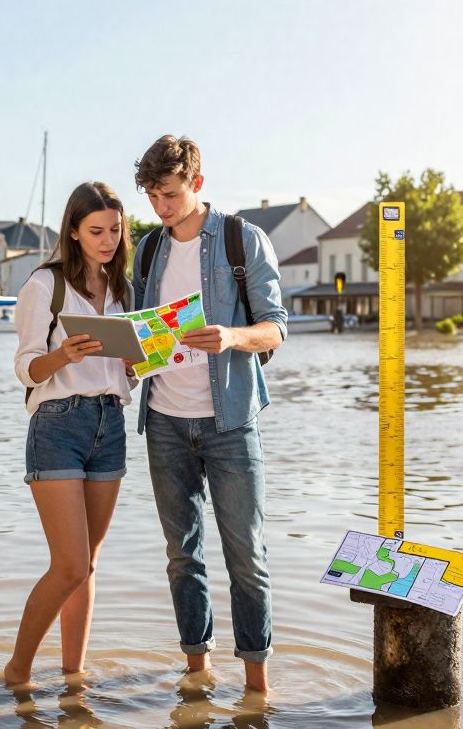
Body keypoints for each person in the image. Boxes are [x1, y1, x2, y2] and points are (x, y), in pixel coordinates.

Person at [130, 136, 287, 694]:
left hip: (230, 424)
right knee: (182, 558)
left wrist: (232, 337)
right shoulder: (147, 251)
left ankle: (257, 690)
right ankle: (196, 680)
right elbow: (138, 332)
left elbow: (276, 326)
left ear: (197, 182)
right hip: (165, 423)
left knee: (246, 556)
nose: (161, 207)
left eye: (169, 194)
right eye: (152, 196)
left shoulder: (244, 240)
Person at [5, 181, 136, 686]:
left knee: (88, 565)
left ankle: (73, 677)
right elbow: (26, 369)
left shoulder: (122, 291)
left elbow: (123, 376)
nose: (107, 240)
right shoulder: (45, 286)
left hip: (111, 424)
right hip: (58, 424)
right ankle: (17, 672)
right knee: (68, 565)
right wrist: (65, 354)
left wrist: (133, 366)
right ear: (75, 233)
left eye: (115, 231)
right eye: (96, 231)